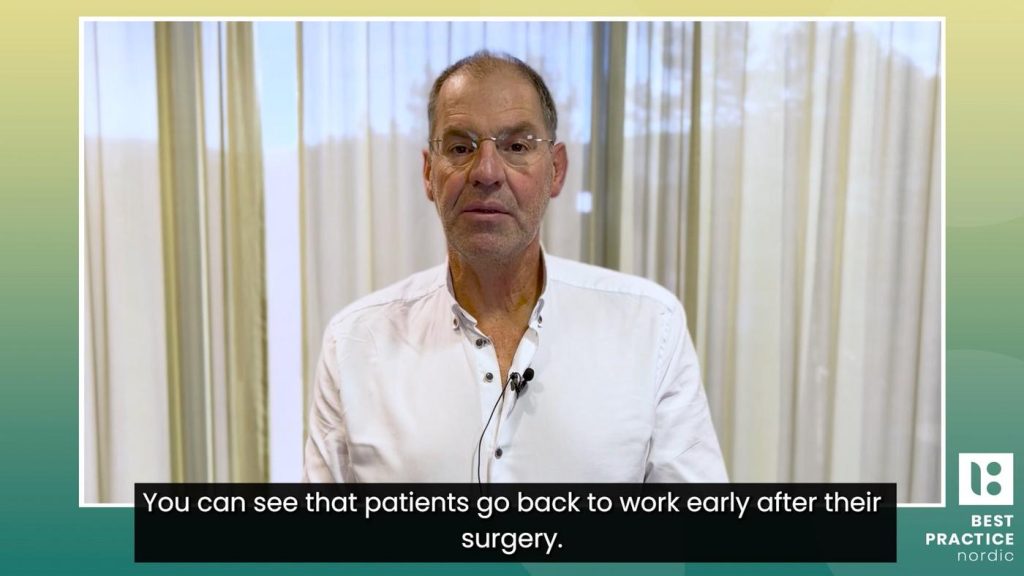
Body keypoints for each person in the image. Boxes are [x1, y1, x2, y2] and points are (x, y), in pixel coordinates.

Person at [303, 50, 727, 483]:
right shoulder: (355, 342)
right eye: (460, 147)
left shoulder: (649, 325)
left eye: (517, 147)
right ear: (429, 173)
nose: (487, 172)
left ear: (556, 170)